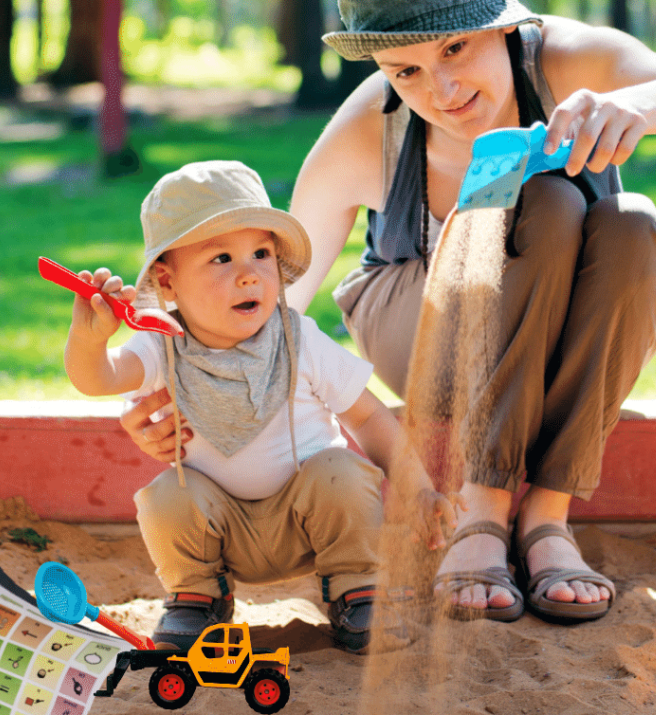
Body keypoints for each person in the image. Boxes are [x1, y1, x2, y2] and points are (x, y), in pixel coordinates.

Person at [122, 0, 656, 624]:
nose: (440, 90)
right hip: (421, 326)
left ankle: (546, 520)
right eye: (404, 70)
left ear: (502, 24)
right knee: (548, 197)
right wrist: (183, 383)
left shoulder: (565, 58)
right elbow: (269, 296)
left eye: (454, 48)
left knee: (631, 224)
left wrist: (640, 106)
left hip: (567, 334)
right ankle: (480, 512)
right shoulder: (370, 126)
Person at [62, 159, 459, 653]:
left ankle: (357, 587)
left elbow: (370, 416)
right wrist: (89, 338)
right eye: (221, 259)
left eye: (261, 253)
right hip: (220, 530)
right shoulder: (162, 348)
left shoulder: (299, 341)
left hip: (309, 521)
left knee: (340, 470)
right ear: (167, 283)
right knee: (168, 496)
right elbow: (97, 379)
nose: (249, 275)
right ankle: (198, 597)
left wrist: (418, 489)